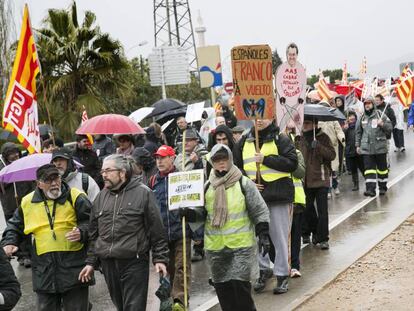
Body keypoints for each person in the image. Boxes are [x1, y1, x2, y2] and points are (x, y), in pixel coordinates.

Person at [184, 144, 270, 311]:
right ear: (212, 162)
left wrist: (264, 235)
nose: (221, 163)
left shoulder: (244, 184)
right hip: (216, 249)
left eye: (224, 159)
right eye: (217, 160)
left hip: (241, 247)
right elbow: (201, 214)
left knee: (240, 291)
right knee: (224, 293)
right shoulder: (208, 186)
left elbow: (259, 210)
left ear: (230, 159)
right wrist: (189, 214)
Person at [79, 154, 169, 311]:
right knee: (120, 306)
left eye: (108, 170)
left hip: (134, 261)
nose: (104, 175)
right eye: (102, 171)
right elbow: (94, 235)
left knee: (134, 307)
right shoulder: (100, 198)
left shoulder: (143, 193)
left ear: (122, 172)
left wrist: (160, 258)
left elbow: (157, 229)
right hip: (108, 264)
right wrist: (91, 262)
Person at [1, 164, 93, 311]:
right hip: (44, 270)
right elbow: (14, 226)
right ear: (39, 184)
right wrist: (9, 241)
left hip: (74, 268)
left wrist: (82, 232)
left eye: (56, 178)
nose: (54, 183)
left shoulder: (76, 196)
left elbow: (93, 223)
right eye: (48, 180)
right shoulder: (27, 202)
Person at [233, 119, 298, 294]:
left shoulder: (281, 138)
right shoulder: (244, 140)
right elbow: (237, 168)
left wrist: (266, 160)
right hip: (255, 197)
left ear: (272, 117)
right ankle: (263, 270)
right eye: (256, 116)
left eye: (264, 116)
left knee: (280, 238)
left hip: (278, 196)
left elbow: (292, 163)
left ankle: (283, 275)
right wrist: (249, 183)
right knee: (257, 238)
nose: (259, 120)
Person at [149, 145, 193, 311]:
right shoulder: (153, 181)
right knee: (166, 269)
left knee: (182, 267)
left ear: (172, 158)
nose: (159, 161)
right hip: (161, 234)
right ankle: (167, 299)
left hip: (181, 231)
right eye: (157, 158)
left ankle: (180, 302)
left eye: (163, 157)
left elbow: (194, 202)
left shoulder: (183, 178)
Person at [298, 116, 336, 250]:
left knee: (323, 211)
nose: (305, 125)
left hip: (321, 179)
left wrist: (318, 146)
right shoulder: (300, 138)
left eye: (307, 123)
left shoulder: (323, 137)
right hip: (305, 180)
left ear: (315, 124)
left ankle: (323, 238)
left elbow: (332, 155)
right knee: (307, 209)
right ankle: (315, 231)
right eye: (303, 123)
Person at [0, 143, 34, 268]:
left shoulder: (23, 163)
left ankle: (29, 253)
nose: (15, 155)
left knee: (27, 228)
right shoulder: (2, 166)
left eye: (16, 152)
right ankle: (21, 255)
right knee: (14, 229)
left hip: (24, 201)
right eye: (11, 153)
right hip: (9, 204)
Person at [356, 97, 392, 196]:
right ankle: (370, 190)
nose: (367, 105)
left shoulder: (380, 115)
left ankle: (382, 187)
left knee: (382, 169)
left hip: (380, 147)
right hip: (367, 149)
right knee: (369, 170)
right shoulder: (362, 117)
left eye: (369, 103)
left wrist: (382, 124)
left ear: (373, 104)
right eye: (365, 104)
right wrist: (357, 145)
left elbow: (389, 128)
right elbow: (358, 133)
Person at [318, 102, 345, 196]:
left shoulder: (333, 120)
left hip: (332, 147)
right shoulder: (318, 121)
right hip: (322, 147)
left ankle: (335, 186)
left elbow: (339, 131)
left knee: (333, 169)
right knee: (326, 169)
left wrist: (342, 139)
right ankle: (328, 189)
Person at [344, 111, 364, 191]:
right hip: (350, 151)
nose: (351, 118)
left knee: (362, 167)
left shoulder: (359, 126)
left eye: (353, 116)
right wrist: (345, 130)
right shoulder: (346, 127)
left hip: (358, 150)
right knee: (353, 169)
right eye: (350, 116)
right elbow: (343, 138)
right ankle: (356, 184)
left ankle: (368, 181)